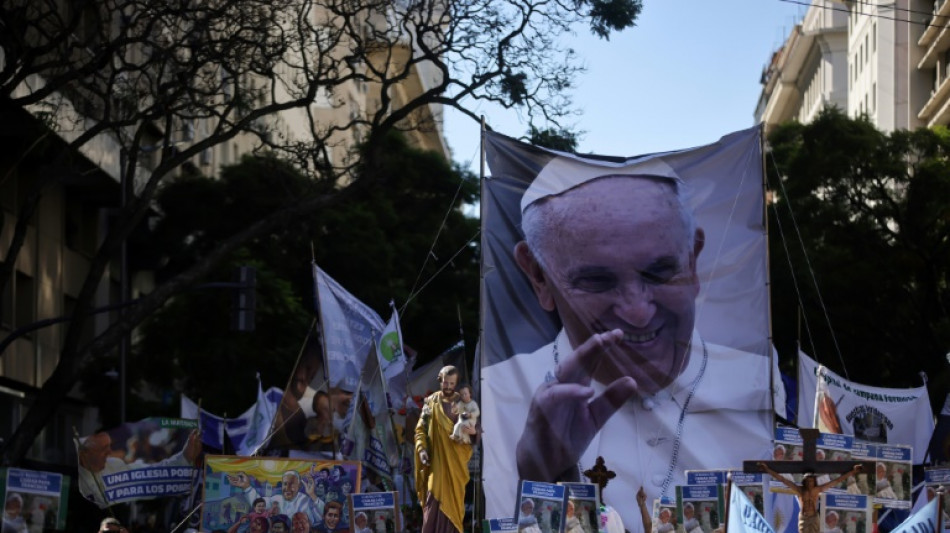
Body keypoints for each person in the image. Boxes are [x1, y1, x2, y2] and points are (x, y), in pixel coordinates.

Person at [482, 166, 776, 530]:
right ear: (538, 275)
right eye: (596, 280)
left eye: (659, 273)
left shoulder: (760, 383)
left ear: (693, 259)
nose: (637, 313)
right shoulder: (493, 396)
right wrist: (544, 478)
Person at [413, 366, 477, 533]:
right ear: (440, 381)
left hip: (456, 464)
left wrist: (473, 432)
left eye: (452, 383)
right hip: (437, 463)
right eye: (445, 383)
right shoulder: (430, 402)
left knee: (454, 507)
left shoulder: (464, 402)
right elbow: (420, 430)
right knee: (432, 502)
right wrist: (422, 450)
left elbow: (476, 429)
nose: (448, 387)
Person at [77, 429, 201, 508]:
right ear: (84, 454)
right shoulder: (79, 480)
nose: (109, 452)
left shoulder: (114, 465)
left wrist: (184, 457)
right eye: (102, 449)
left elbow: (150, 474)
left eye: (108, 447)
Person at [758, 463, 862, 533]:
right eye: (807, 481)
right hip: (804, 518)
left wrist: (852, 472)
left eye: (811, 481)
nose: (809, 482)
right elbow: (782, 479)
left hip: (813, 517)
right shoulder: (799, 490)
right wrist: (767, 469)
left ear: (814, 481)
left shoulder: (817, 490)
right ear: (804, 481)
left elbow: (836, 481)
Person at [227, 471, 323, 526]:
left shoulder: (306, 500)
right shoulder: (276, 499)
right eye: (285, 484)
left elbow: (322, 516)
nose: (287, 488)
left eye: (292, 484)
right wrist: (246, 487)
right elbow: (258, 503)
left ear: (299, 486)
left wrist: (312, 494)